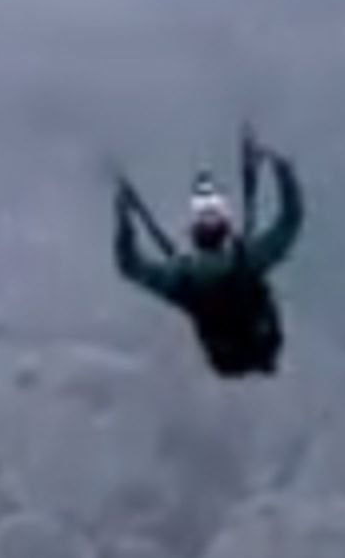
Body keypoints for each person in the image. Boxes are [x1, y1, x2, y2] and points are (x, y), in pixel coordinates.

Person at [111, 125, 303, 379]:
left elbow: (129, 265)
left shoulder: (183, 280)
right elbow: (291, 219)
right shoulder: (247, 262)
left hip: (234, 350)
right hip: (249, 346)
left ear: (195, 237)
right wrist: (280, 166)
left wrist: (124, 218)